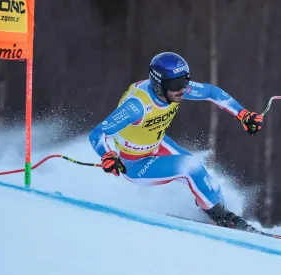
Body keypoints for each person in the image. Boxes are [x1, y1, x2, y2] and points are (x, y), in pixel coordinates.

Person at [88, 52, 264, 231]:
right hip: (134, 163)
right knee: (190, 166)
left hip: (157, 144)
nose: (183, 89)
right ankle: (221, 217)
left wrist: (242, 114)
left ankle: (219, 214)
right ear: (158, 85)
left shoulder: (174, 90)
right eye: (176, 84)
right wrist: (107, 155)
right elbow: (97, 133)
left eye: (185, 81)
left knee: (211, 185)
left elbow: (211, 92)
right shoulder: (136, 106)